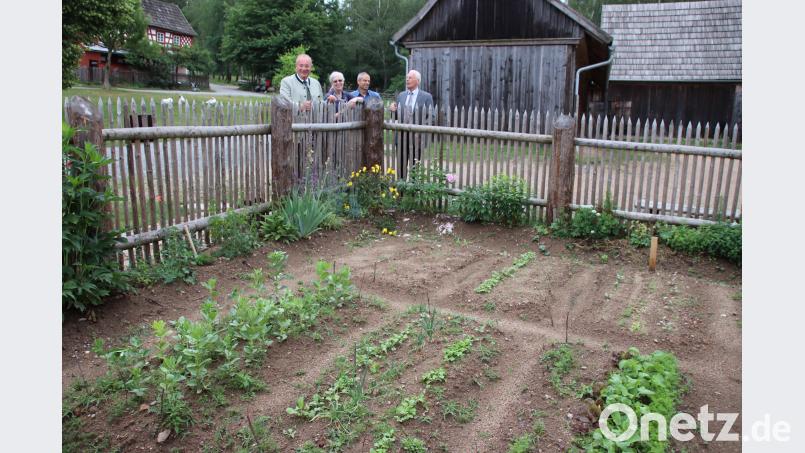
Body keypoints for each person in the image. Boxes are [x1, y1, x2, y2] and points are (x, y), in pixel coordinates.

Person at [389, 70, 434, 178]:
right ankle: (400, 192)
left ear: (417, 81)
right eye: (407, 77)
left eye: (410, 78)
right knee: (400, 167)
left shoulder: (426, 96)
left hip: (417, 139)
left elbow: (431, 118)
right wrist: (392, 110)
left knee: (415, 168)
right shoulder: (401, 95)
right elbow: (396, 117)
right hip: (400, 138)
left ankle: (412, 193)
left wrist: (420, 131)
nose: (407, 79)